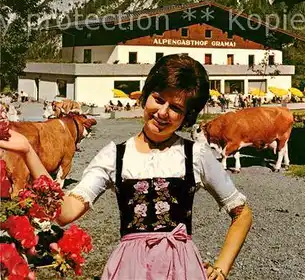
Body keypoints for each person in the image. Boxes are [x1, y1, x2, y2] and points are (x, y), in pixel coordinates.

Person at [0, 54, 252, 280]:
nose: (163, 112)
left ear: (187, 116)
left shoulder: (195, 154)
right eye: (159, 99)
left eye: (175, 107)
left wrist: (221, 268)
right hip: (130, 270)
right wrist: (28, 152)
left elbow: (242, 213)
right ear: (145, 96)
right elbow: (65, 212)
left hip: (183, 269)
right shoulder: (114, 155)